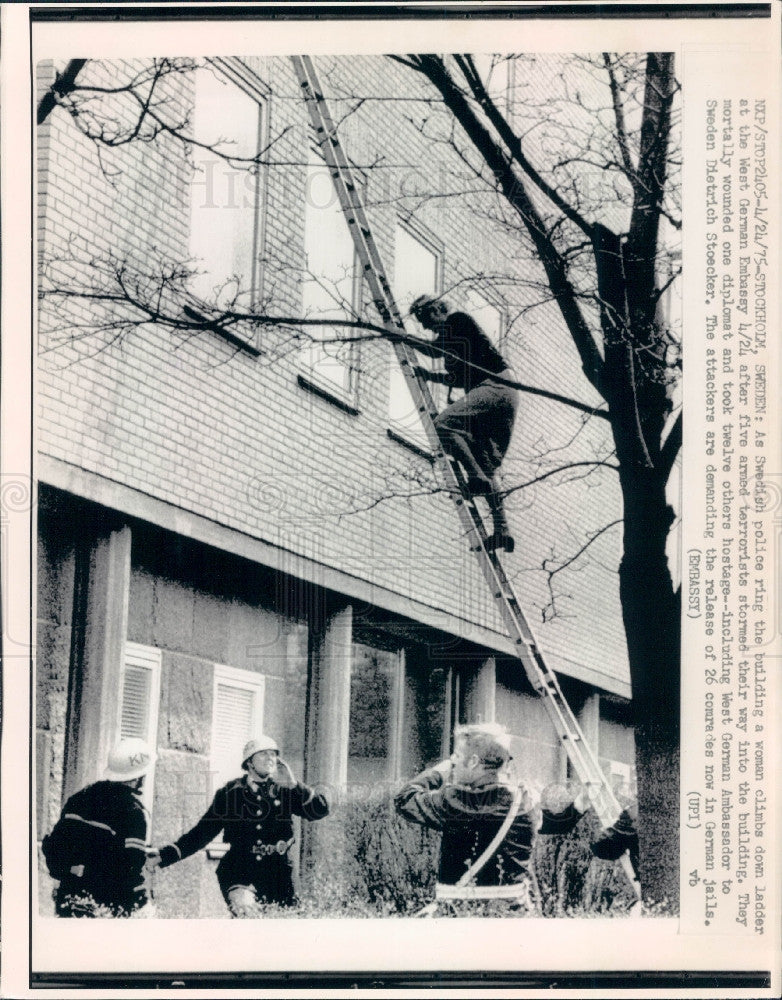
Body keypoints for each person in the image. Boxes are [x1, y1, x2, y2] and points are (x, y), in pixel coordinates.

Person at [147, 735, 329, 917]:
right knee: (248, 915)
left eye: (273, 754)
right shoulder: (230, 794)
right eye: (263, 754)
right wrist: (164, 855)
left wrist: (295, 784)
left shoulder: (286, 790)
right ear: (249, 762)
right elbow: (202, 834)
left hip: (280, 875)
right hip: (241, 871)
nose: (270, 758)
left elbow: (319, 811)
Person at [407, 295, 519, 553]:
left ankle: (477, 477)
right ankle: (502, 530)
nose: (425, 327)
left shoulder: (457, 320)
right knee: (485, 460)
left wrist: (401, 337)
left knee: (443, 424)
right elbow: (458, 378)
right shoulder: (459, 339)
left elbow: (434, 350)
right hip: (502, 392)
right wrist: (432, 376)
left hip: (495, 387)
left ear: (437, 309)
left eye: (425, 319)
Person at [394, 723, 534, 902]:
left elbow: (404, 799)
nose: (453, 759)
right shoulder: (525, 800)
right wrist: (580, 804)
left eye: (457, 755)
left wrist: (439, 772)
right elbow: (555, 824)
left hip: (459, 913)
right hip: (512, 914)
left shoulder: (453, 801)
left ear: (473, 761)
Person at [42, 737, 154, 917]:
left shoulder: (79, 799)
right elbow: (130, 870)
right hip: (106, 907)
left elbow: (54, 848)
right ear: (138, 777)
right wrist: (143, 904)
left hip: (69, 901)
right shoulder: (133, 812)